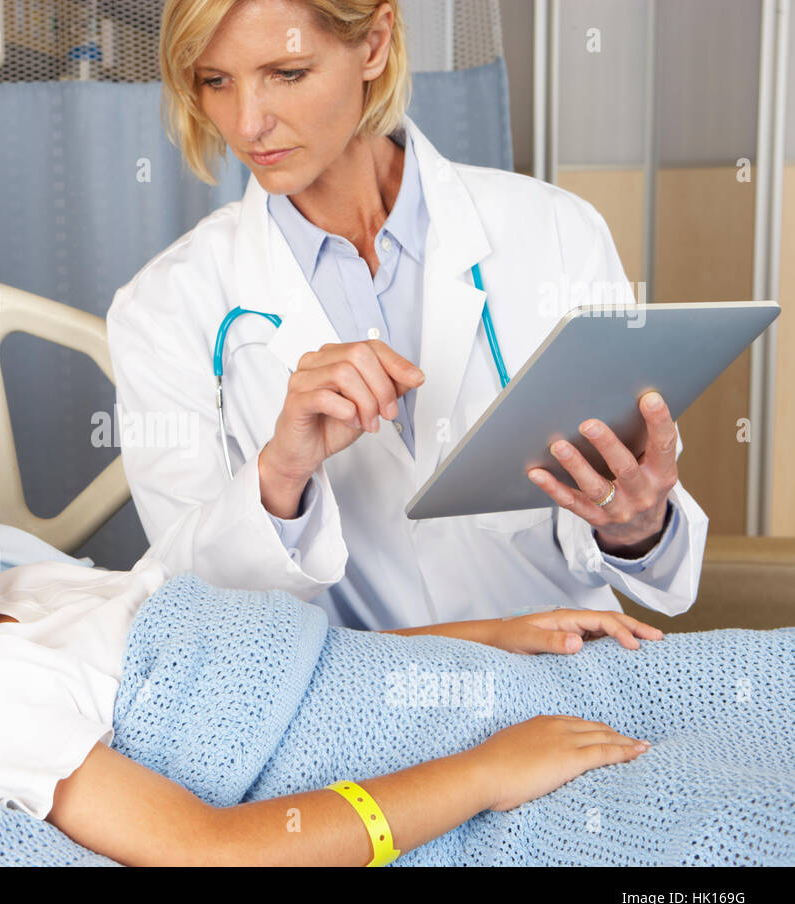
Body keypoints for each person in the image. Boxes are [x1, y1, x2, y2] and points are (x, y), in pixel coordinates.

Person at [0, 408, 664, 866]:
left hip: (441, 685)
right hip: (438, 769)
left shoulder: (21, 588)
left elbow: (291, 661)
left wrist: (487, 634)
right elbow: (211, 847)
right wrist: (483, 773)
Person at [106, 0, 708, 632]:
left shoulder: (556, 232)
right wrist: (281, 473)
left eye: (286, 73)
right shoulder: (163, 307)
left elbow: (638, 542)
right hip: (357, 712)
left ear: (373, 42)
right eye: (216, 81)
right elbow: (191, 607)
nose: (248, 124)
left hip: (570, 682)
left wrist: (638, 529)